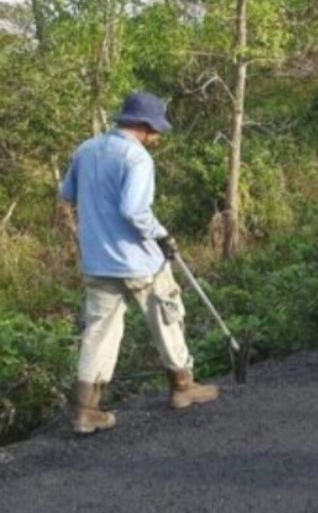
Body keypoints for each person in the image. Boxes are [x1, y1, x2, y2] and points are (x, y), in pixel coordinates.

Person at [59, 92, 219, 435]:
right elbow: (134, 211)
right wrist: (162, 236)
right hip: (139, 261)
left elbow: (67, 194)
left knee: (98, 333)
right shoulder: (137, 157)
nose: (158, 137)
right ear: (145, 127)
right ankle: (182, 387)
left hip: (98, 261)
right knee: (167, 316)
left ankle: (86, 411)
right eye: (157, 130)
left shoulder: (86, 149)